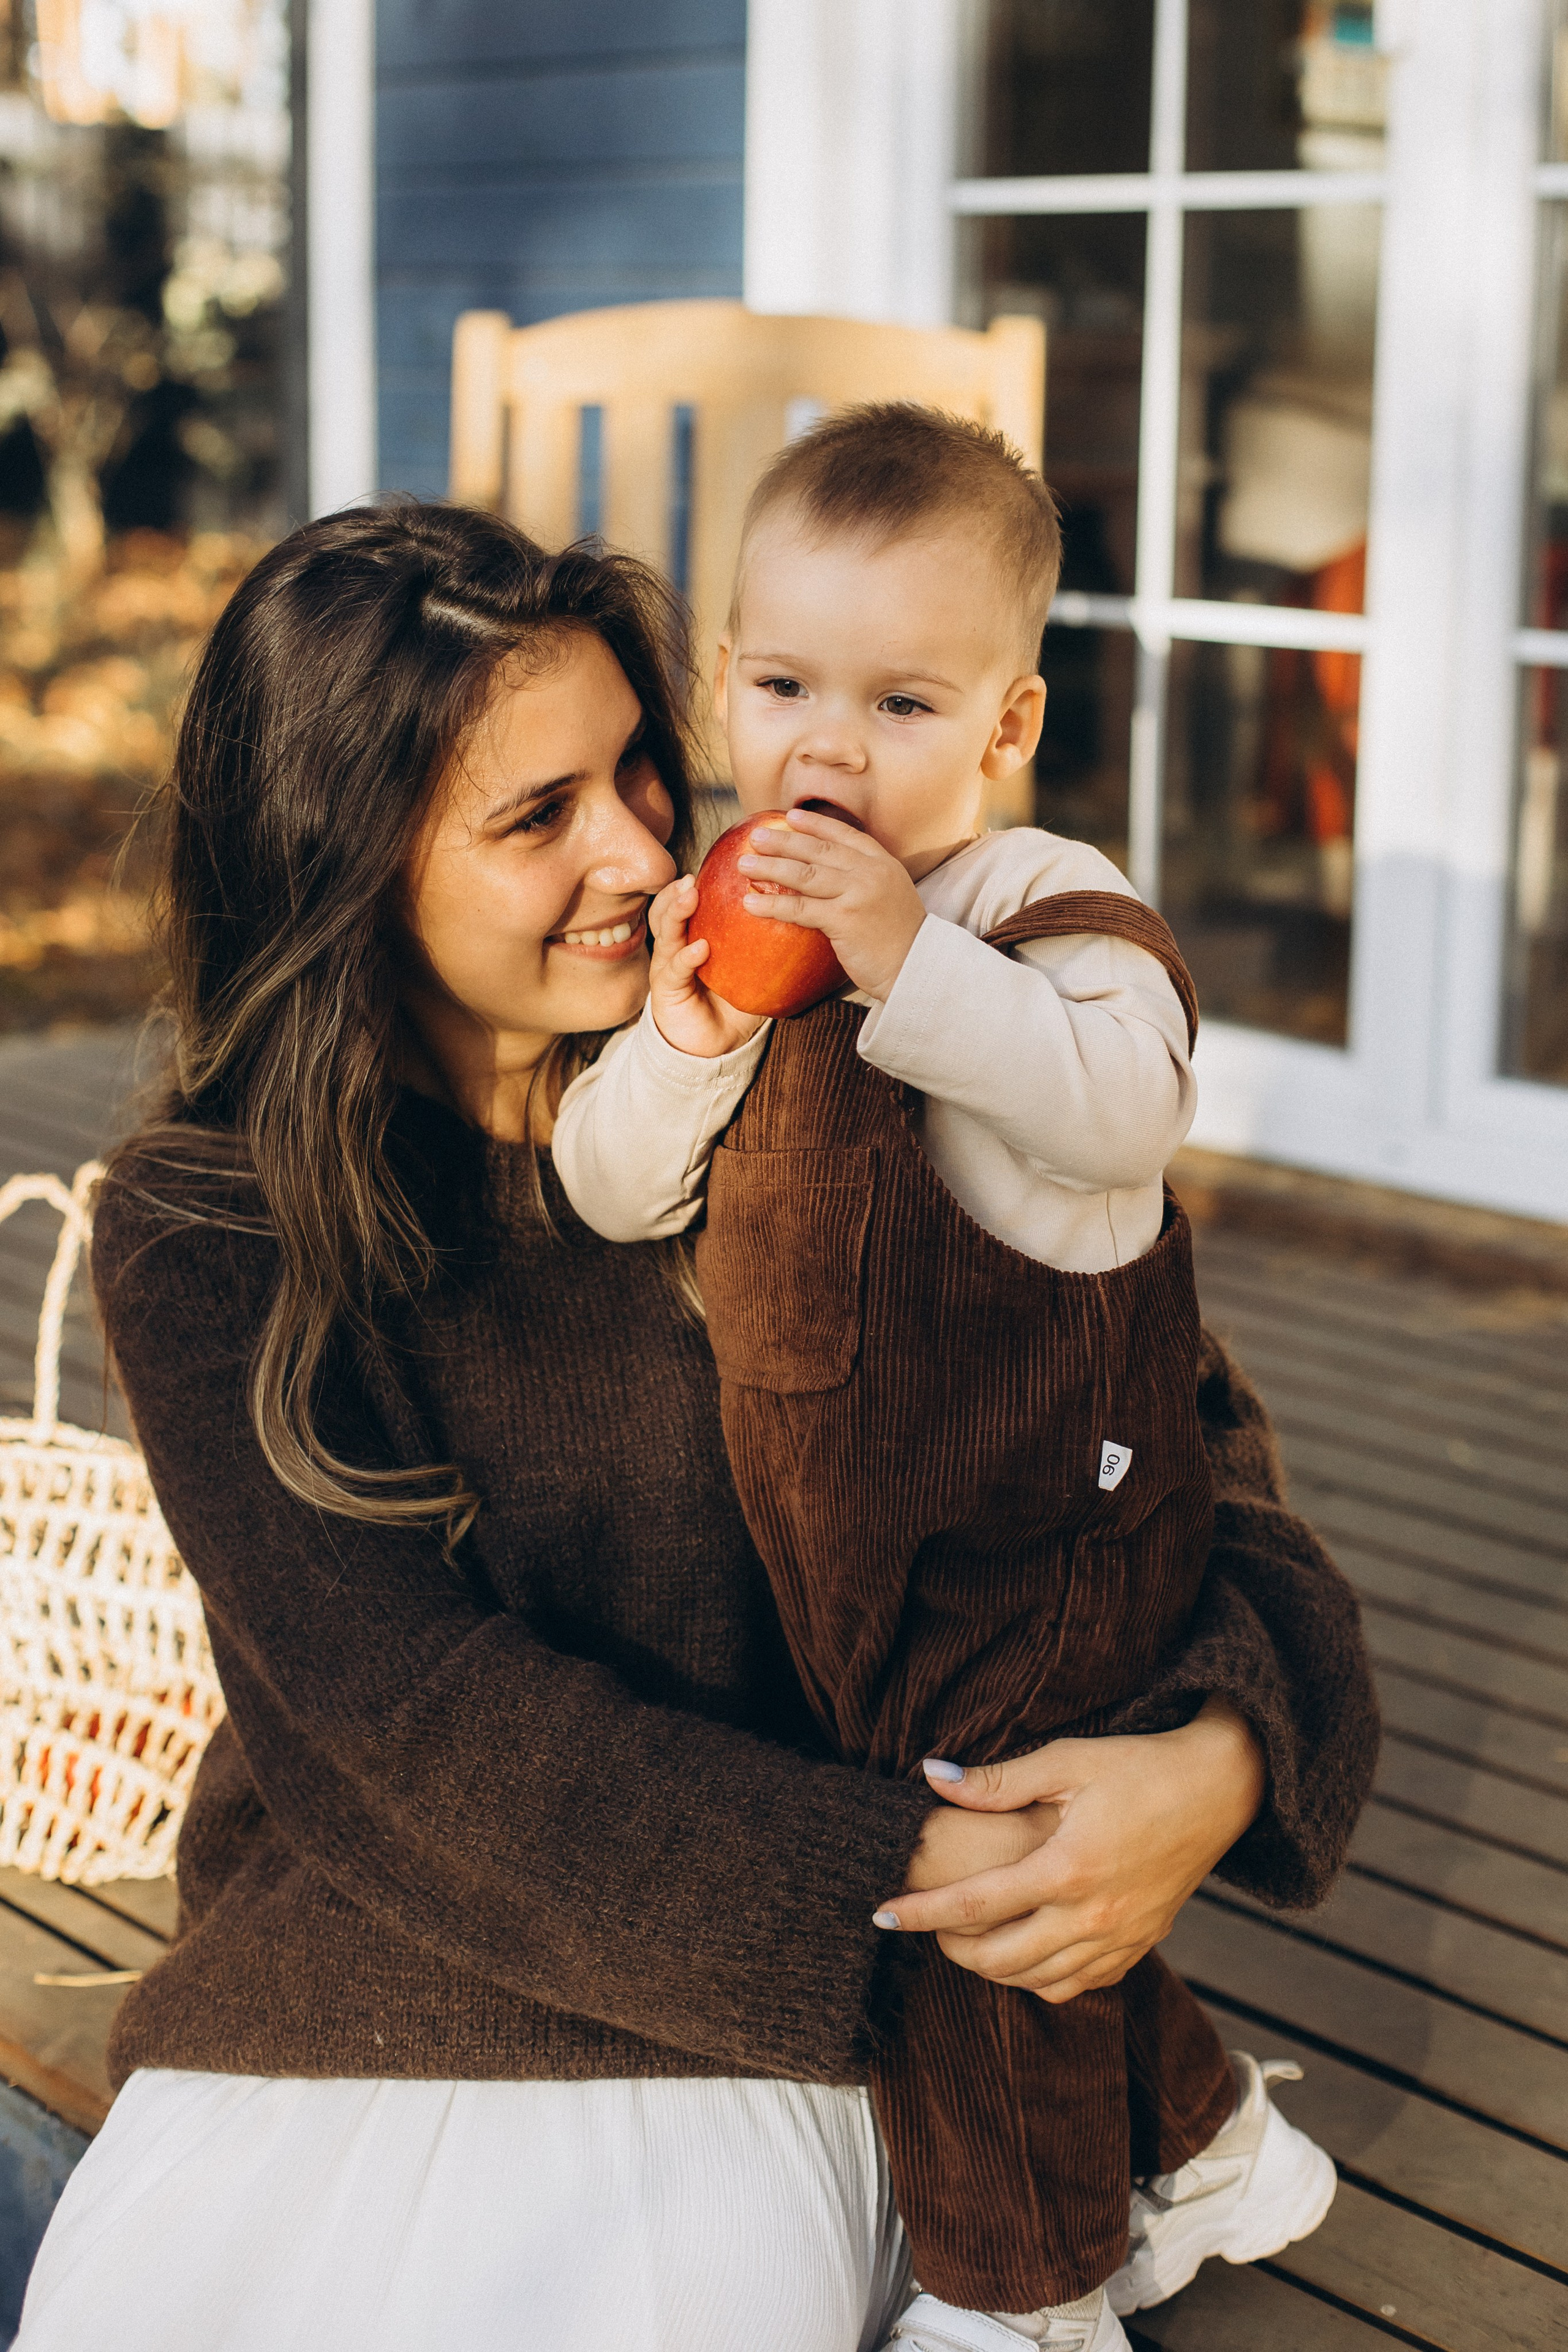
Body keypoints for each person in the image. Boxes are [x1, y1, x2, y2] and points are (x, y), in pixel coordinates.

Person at [15, 501, 1376, 2352]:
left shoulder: (839, 1058)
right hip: (379, 1969)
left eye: (644, 773)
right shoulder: (209, 1221)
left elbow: (1178, 1459)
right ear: (347, 870)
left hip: (791, 2026)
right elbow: (407, 1725)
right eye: (535, 815)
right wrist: (924, 1872)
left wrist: (1213, 1760)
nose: (649, 851)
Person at [551, 408, 1343, 2351]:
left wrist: (907, 958)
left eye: (901, 702)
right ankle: (1217, 2146)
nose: (827, 748)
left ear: (1006, 730)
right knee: (1000, 1890)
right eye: (785, 683)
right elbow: (607, 1187)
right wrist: (683, 1028)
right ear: (726, 681)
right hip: (847, 1536)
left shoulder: (1037, 911)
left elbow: (1123, 1107)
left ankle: (1023, 2296)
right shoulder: (727, 928)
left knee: (968, 1911)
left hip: (1042, 1524)